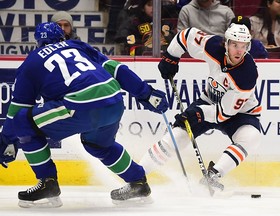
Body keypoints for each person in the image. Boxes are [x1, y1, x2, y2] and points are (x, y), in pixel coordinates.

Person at [0, 22, 169, 208]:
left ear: (38, 43)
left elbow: (16, 114)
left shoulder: (31, 63)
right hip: (114, 100)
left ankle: (47, 185)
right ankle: (138, 184)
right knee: (98, 145)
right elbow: (116, 69)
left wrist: (5, 141)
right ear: (62, 37)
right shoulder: (77, 45)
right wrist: (145, 93)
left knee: (23, 122)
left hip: (81, 105)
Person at [139, 23, 262, 191]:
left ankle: (213, 175)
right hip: (209, 102)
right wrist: (171, 56)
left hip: (240, 114)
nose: (239, 51)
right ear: (226, 43)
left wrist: (196, 113)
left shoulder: (247, 74)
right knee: (176, 137)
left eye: (243, 46)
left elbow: (223, 114)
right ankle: (136, 177)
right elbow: (187, 36)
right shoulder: (213, 46)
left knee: (251, 137)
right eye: (234, 44)